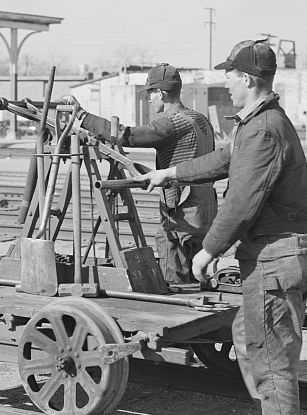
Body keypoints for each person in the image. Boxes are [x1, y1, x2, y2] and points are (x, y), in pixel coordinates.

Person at [135, 39, 307, 415]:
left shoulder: (262, 128)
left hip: (278, 253)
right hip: (286, 250)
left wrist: (208, 251)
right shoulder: (261, 123)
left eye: (229, 76)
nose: (227, 85)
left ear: (245, 78)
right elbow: (224, 161)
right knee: (249, 333)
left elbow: (241, 201)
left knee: (267, 347)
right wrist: (170, 173)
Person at [62, 63, 218, 285]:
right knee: (197, 272)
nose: (149, 99)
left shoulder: (172, 123)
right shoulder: (201, 120)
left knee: (174, 272)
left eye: (150, 94)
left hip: (183, 212)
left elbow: (127, 136)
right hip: (206, 209)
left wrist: (82, 116)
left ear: (161, 93)